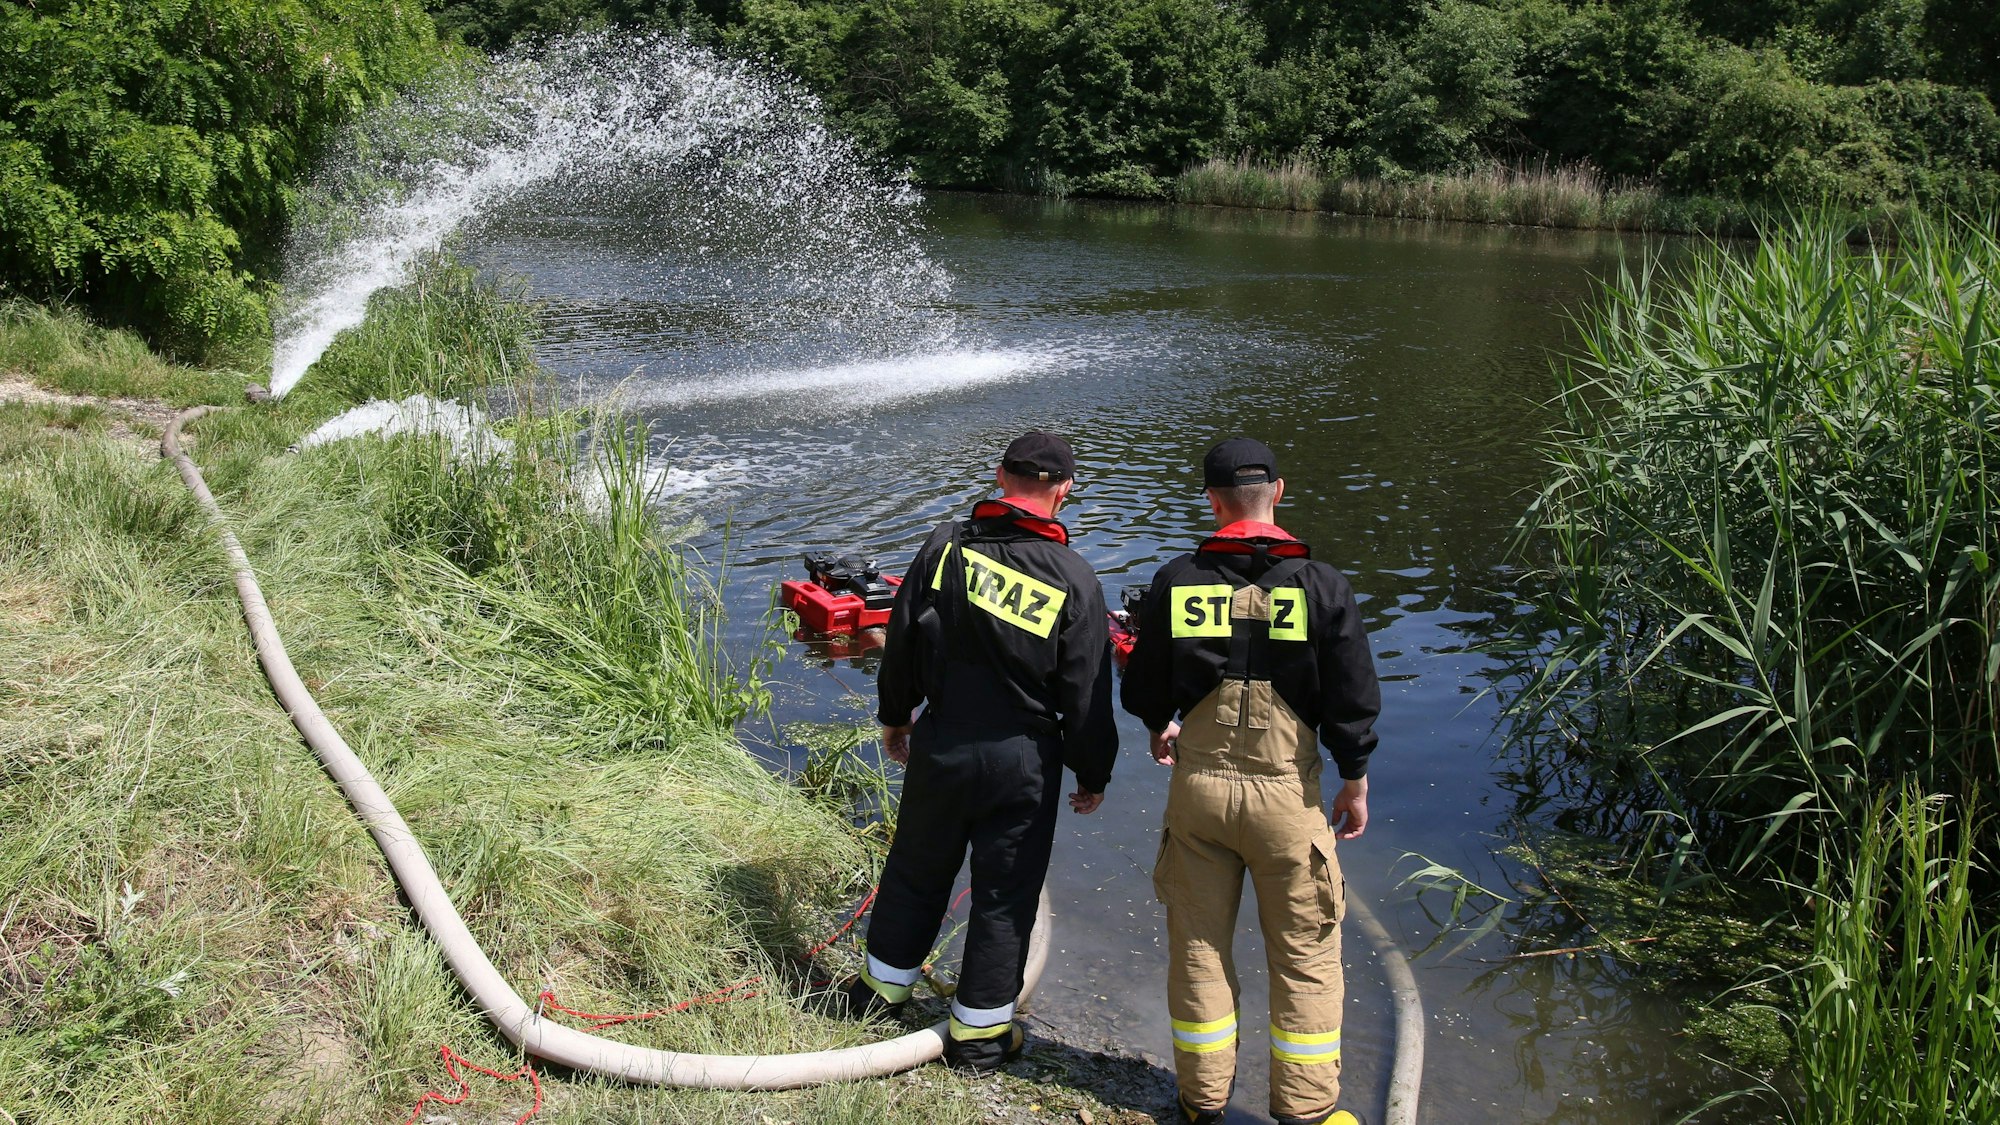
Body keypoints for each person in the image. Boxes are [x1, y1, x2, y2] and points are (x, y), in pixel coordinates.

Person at [838, 430, 1119, 1072]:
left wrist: (895, 718)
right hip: (1024, 756)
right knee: (1005, 893)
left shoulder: (945, 546)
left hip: (943, 740)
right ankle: (980, 1036)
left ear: (1000, 476)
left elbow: (902, 637)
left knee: (915, 868)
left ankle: (880, 994)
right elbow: (1086, 691)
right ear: (1063, 491)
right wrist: (1093, 771)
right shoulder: (1073, 575)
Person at [1120, 437, 1382, 1125]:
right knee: (1306, 957)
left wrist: (1159, 723)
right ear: (1280, 492)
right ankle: (1308, 1113)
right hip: (1287, 798)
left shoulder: (1177, 580)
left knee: (1199, 951)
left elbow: (1144, 685)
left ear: (1211, 501)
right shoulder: (1323, 585)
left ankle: (1201, 1102)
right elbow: (1353, 698)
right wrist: (1353, 780)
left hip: (1200, 791)